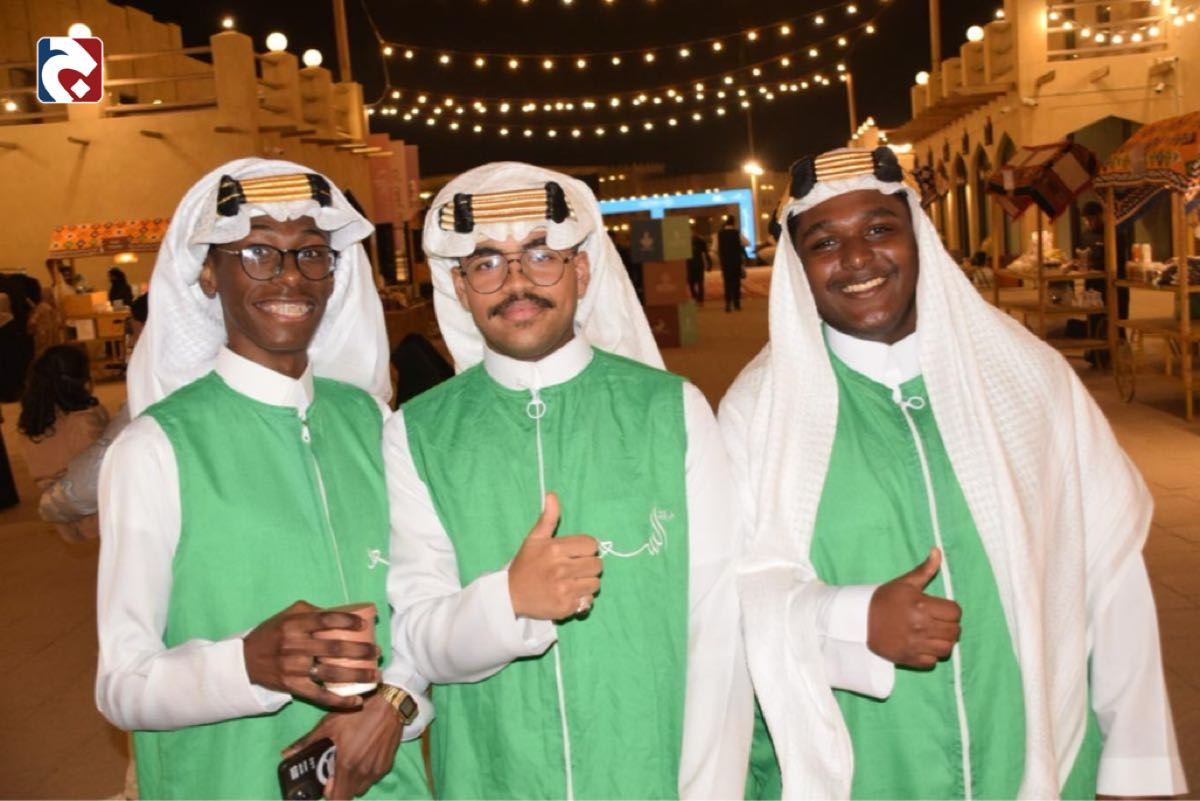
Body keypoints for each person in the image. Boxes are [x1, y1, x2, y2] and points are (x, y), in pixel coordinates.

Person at [720, 147, 1186, 798]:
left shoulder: (1028, 378)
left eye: (878, 228)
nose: (856, 258)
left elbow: (1109, 575)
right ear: (797, 266)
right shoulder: (759, 410)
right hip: (865, 772)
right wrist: (852, 617)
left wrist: (1137, 768)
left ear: (919, 237)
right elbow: (726, 599)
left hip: (1033, 759)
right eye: (824, 241)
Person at [384, 162, 752, 798]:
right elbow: (418, 636)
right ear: (460, 287)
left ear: (581, 270)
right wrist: (508, 602)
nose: (517, 282)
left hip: (653, 777)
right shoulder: (416, 433)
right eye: (487, 262)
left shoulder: (671, 410)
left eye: (540, 255)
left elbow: (718, 633)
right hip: (492, 782)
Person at [96, 159, 431, 800]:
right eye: (256, 252)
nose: (290, 275)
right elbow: (120, 685)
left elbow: (420, 609)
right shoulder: (157, 447)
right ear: (207, 272)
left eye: (311, 252)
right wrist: (246, 664)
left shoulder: (372, 423)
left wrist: (397, 701)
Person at [18, 344, 109, 541]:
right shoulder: (83, 421)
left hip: (62, 510)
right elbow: (100, 472)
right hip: (96, 513)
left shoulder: (32, 422)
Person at [717, 217, 748, 312]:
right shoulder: (737, 233)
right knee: (736, 283)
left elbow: (715, 248)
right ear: (733, 223)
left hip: (725, 262)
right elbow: (747, 243)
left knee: (727, 283)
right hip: (736, 261)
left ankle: (728, 305)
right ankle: (736, 304)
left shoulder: (719, 234)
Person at [686, 229, 711, 304]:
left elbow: (706, 253)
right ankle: (696, 297)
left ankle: (699, 298)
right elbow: (706, 254)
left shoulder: (701, 242)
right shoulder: (687, 242)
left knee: (699, 282)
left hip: (696, 264)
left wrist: (709, 264)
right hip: (691, 264)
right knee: (691, 283)